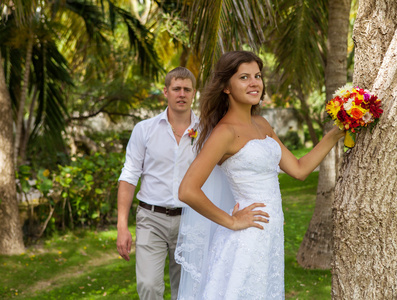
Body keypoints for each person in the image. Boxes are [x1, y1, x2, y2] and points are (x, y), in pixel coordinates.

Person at [175, 51, 345, 299]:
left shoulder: (262, 124)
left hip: (271, 235)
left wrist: (336, 133)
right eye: (244, 77)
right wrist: (232, 221)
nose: (254, 82)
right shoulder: (225, 132)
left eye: (257, 75)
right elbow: (187, 190)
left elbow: (299, 169)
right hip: (247, 236)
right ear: (226, 87)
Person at [116, 67, 199, 300]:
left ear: (194, 94)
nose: (181, 94)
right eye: (176, 89)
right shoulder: (144, 129)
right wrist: (122, 226)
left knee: (186, 292)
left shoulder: (206, 131)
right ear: (166, 92)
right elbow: (129, 176)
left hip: (192, 220)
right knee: (149, 287)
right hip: (151, 218)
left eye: (187, 89)